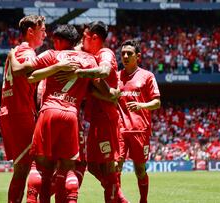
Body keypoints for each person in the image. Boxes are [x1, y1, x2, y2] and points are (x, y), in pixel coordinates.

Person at [9, 24, 95, 203]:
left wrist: (12, 56)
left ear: (58, 40)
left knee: (40, 166)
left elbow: (28, 74)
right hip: (71, 114)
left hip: (48, 111)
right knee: (68, 167)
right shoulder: (89, 60)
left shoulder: (50, 55)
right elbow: (99, 84)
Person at [76, 21, 128, 203]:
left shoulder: (105, 53)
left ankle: (118, 197)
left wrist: (82, 73)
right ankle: (117, 194)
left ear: (94, 37)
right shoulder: (92, 55)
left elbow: (103, 72)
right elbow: (96, 87)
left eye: (84, 36)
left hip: (106, 118)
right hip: (97, 118)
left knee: (107, 169)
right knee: (92, 166)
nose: (82, 41)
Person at [0, 14, 47, 203]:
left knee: (21, 167)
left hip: (8, 112)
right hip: (21, 113)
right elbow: (32, 75)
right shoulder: (27, 53)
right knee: (28, 166)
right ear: (30, 31)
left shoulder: (15, 52)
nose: (45, 34)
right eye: (42, 30)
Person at [117, 39, 161, 203]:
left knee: (140, 170)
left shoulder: (147, 76)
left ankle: (143, 200)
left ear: (138, 56)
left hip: (139, 130)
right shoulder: (116, 76)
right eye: (123, 54)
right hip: (120, 129)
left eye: (129, 53)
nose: (126, 56)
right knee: (116, 168)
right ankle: (118, 200)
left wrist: (141, 105)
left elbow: (157, 102)